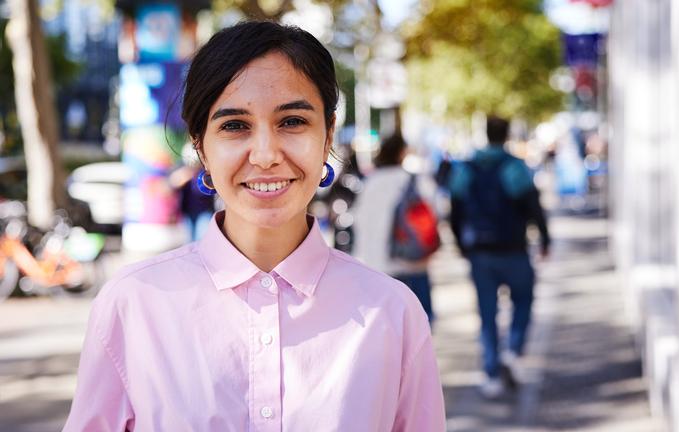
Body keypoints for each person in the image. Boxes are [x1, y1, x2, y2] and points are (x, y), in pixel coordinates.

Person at [64, 21, 445, 431]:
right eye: (234, 126)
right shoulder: (132, 305)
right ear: (200, 146)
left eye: (293, 121)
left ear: (327, 134)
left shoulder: (392, 312)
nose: (265, 155)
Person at [449, 115, 550, 399]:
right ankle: (513, 349)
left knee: (487, 313)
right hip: (514, 249)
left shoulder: (466, 168)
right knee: (524, 299)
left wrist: (460, 244)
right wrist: (544, 238)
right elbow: (533, 205)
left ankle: (491, 374)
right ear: (506, 135)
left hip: (480, 253)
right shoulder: (514, 167)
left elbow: (455, 209)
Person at [352, 134, 436, 322]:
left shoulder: (371, 182)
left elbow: (360, 221)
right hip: (412, 261)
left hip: (377, 265)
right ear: (402, 153)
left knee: (387, 328)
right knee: (420, 323)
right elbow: (433, 211)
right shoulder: (412, 181)